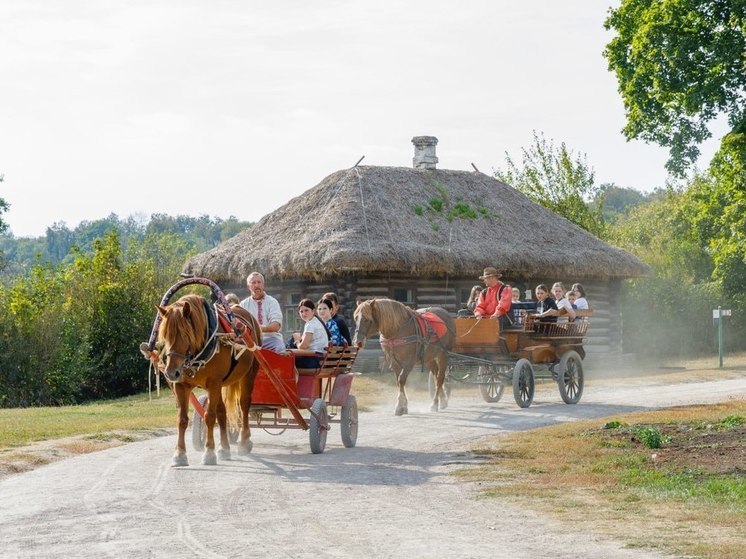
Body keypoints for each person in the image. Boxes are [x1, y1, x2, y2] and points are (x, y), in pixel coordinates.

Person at [239, 272, 286, 353]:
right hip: (250, 341)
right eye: (253, 282)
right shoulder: (243, 304)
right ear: (248, 286)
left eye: (259, 282)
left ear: (263, 285)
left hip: (271, 340)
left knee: (280, 349)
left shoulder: (272, 302)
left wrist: (256, 328)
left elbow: (276, 326)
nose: (257, 285)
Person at [290, 298, 330, 368]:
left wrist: (297, 340)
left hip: (314, 361)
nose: (303, 313)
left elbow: (303, 346)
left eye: (306, 310)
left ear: (313, 310)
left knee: (286, 359)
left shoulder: (311, 324)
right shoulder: (315, 321)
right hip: (318, 359)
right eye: (301, 311)